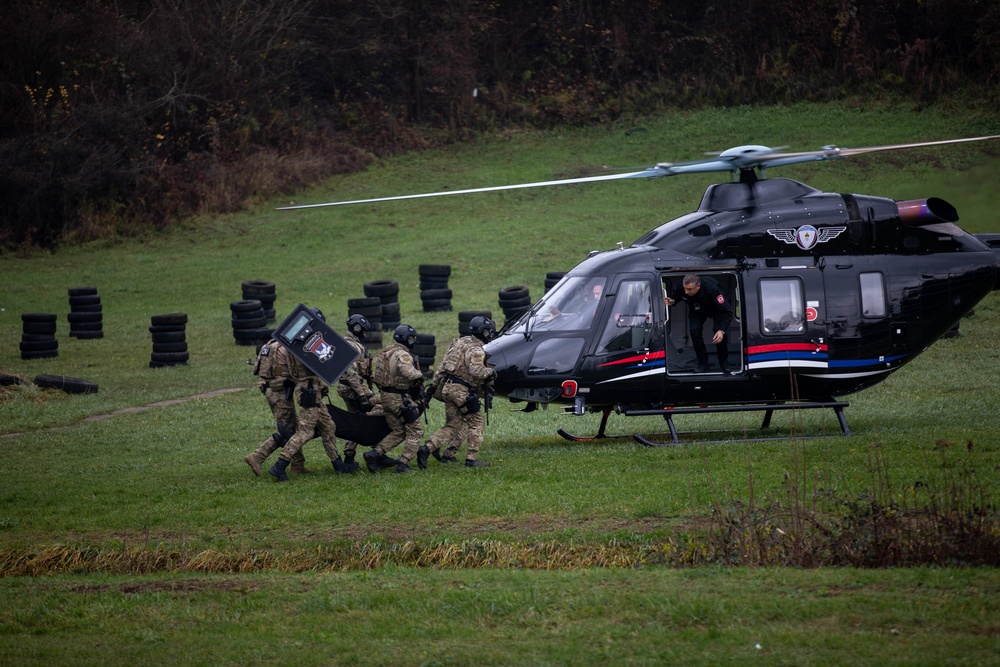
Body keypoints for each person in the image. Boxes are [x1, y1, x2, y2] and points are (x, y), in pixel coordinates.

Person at [268, 309, 347, 481]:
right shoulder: (303, 347)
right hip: (309, 390)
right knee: (305, 432)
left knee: (328, 426)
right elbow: (315, 365)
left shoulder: (293, 344)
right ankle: (279, 465)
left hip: (311, 389)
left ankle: (338, 465)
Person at [419, 315, 497, 469]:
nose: (490, 335)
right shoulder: (477, 350)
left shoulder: (458, 343)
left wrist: (433, 388)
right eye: (488, 331)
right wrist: (492, 372)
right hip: (462, 391)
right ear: (482, 332)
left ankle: (428, 449)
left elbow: (442, 367)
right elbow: (476, 371)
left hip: (448, 388)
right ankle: (471, 460)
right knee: (476, 423)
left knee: (453, 426)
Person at [364, 324, 426, 474]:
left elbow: (376, 377)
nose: (413, 341)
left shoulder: (386, 352)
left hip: (385, 396)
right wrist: (420, 375)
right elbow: (409, 373)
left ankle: (375, 454)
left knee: (399, 430)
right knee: (416, 430)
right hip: (399, 398)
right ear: (406, 339)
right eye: (411, 338)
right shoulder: (403, 355)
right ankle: (403, 464)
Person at [244, 338, 308, 476]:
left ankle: (298, 464)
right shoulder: (285, 349)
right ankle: (257, 457)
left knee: (292, 427)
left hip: (271, 390)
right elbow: (297, 372)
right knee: (286, 430)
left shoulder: (269, 345)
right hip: (281, 393)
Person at [664, 274, 733, 373]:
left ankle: (724, 362)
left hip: (717, 309)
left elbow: (727, 312)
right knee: (694, 330)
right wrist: (673, 301)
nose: (686, 292)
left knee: (718, 330)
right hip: (697, 308)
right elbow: (678, 295)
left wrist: (722, 331)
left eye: (690, 289)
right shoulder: (682, 287)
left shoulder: (713, 289)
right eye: (685, 289)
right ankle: (703, 363)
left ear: (698, 286)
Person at [335, 314, 378, 473]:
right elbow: (351, 373)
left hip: (351, 387)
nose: (365, 334)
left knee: (356, 420)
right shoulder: (351, 346)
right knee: (371, 417)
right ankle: (377, 453)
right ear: (357, 328)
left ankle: (350, 456)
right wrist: (362, 395)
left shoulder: (352, 344)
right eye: (364, 331)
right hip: (353, 388)